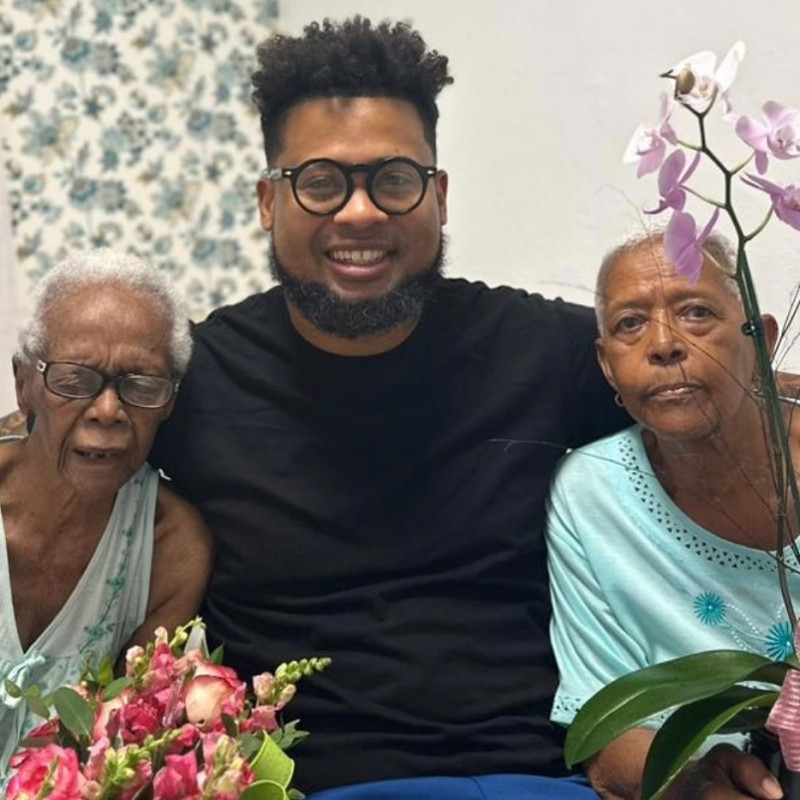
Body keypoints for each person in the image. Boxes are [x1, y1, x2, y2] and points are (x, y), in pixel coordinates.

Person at [148, 16, 631, 799]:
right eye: (321, 182)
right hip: (299, 782)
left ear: (438, 196)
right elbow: (48, 457)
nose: (361, 213)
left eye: (394, 179)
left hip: (537, 777)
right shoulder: (195, 378)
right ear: (269, 201)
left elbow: (732, 409)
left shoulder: (548, 352)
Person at [546, 232, 797, 800]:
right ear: (607, 365)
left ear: (760, 340)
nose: (663, 344)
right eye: (630, 324)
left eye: (697, 312)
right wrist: (694, 786)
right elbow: (605, 725)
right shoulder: (592, 497)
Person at [0, 250, 212, 779]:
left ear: (169, 402)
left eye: (141, 385)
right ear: (25, 383)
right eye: (74, 379)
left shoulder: (171, 544)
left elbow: (120, 755)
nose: (109, 410)